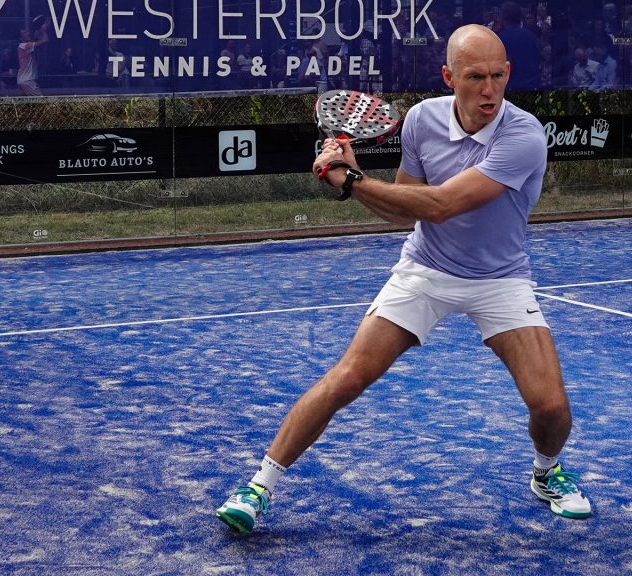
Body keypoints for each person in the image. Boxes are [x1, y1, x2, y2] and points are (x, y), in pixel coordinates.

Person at [216, 23, 592, 534]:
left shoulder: (523, 134)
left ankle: (546, 473)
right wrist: (353, 176)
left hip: (499, 279)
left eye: (498, 76)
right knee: (347, 378)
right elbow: (404, 212)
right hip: (425, 269)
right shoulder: (421, 120)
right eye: (475, 76)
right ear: (448, 76)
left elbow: (440, 205)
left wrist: (349, 180)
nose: (489, 89)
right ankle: (258, 486)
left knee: (550, 406)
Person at [16, 20, 49, 96]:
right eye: (24, 33)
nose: (27, 34)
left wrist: (40, 30)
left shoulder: (23, 46)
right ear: (21, 37)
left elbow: (36, 37)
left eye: (27, 32)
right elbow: (45, 40)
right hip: (27, 81)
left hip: (23, 81)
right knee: (42, 102)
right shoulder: (25, 46)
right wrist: (43, 30)